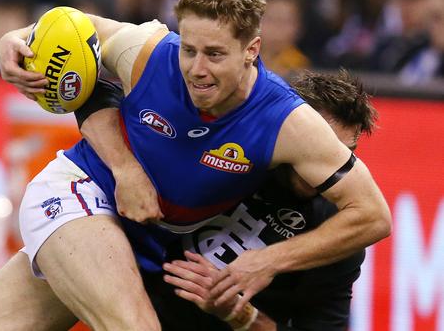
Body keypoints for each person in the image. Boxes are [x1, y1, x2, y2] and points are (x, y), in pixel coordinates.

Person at [0, 0, 390, 331]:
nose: (196, 70)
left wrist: (260, 266)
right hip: (80, 195)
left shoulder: (288, 125)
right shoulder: (149, 50)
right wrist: (13, 42)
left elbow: (374, 215)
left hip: (140, 239)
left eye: (216, 55)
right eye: (191, 50)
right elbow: (60, 31)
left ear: (253, 51)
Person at [146, 69, 377, 330]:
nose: (331, 167)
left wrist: (242, 315)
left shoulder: (336, 230)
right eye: (325, 148)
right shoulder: (229, 151)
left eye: (345, 156)